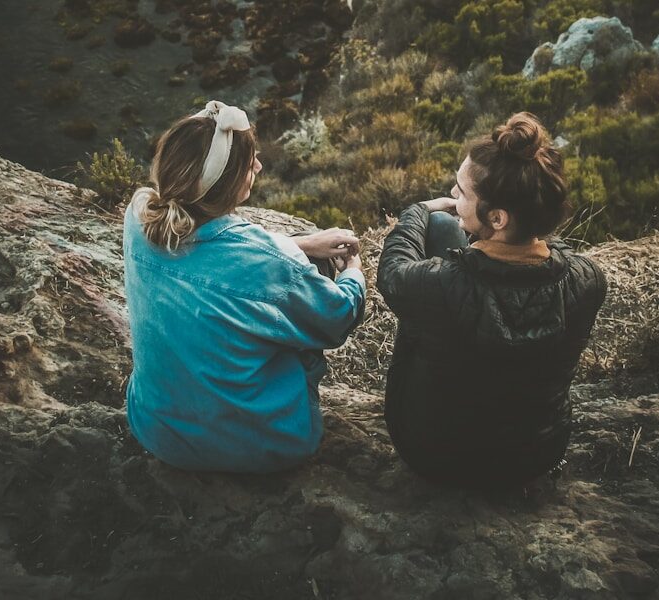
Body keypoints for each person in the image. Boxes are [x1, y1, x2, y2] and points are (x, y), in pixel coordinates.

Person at [123, 100, 366, 473]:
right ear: (227, 183)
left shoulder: (139, 214)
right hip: (257, 446)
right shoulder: (267, 262)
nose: (258, 166)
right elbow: (338, 317)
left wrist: (300, 244)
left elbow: (215, 259)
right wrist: (353, 270)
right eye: (249, 161)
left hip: (157, 431)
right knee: (306, 302)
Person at [376, 112, 607, 490]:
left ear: (498, 217)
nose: (452, 196)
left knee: (439, 226)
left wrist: (417, 211)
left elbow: (393, 272)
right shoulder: (588, 281)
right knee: (449, 232)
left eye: (461, 192)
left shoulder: (441, 286)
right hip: (534, 456)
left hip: (436, 455)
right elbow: (548, 255)